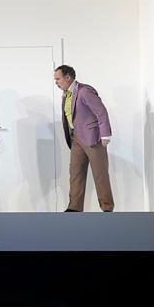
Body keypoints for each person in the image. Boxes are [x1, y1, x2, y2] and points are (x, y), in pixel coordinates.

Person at [54, 65, 113, 212]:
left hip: (93, 138)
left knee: (100, 174)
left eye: (58, 79)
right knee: (75, 173)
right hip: (76, 139)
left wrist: (105, 134)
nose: (56, 82)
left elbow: (101, 112)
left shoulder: (84, 91)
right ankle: (74, 208)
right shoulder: (66, 94)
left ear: (68, 77)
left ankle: (107, 207)